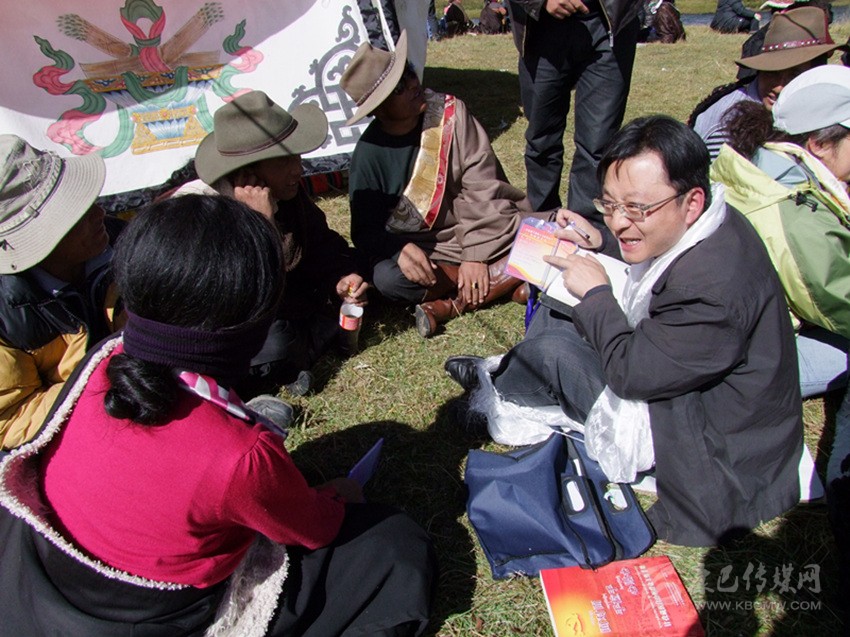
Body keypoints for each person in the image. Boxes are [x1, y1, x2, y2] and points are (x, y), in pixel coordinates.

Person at [0, 194, 436, 636]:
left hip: (39, 583)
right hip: (142, 618)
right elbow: (314, 529)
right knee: (393, 545)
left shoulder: (101, 362)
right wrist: (335, 498)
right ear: (251, 324)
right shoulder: (239, 454)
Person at [445, 116, 803, 546]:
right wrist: (599, 241)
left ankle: (494, 393)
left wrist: (596, 295)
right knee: (558, 300)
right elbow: (652, 245)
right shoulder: (709, 222)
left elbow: (632, 375)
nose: (618, 222)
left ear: (691, 201)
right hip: (684, 383)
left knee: (554, 351)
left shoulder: (710, 288)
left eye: (636, 209)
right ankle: (517, 377)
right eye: (610, 205)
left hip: (708, 442)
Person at [710, 65, 850, 594]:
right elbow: (838, 302)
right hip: (749, 356)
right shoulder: (793, 210)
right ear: (821, 144)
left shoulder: (766, 165)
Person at [341, 31, 548, 338]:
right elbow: (365, 231)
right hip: (429, 248)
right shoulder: (368, 155)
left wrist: (475, 254)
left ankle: (451, 305)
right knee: (387, 279)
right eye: (399, 87)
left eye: (409, 71)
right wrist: (399, 249)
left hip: (483, 225)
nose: (413, 83)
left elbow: (481, 184)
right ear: (378, 109)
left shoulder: (450, 114)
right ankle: (511, 276)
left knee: (555, 232)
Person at [194, 91, 367, 398]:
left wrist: (340, 277)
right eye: (285, 160)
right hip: (247, 324)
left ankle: (300, 352)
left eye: (296, 156)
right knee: (273, 344)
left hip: (292, 306)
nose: (298, 169)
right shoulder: (209, 215)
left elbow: (321, 243)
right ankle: (299, 353)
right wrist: (262, 225)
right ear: (249, 172)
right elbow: (241, 299)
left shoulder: (288, 192)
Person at [0, 135, 124, 451]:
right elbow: (13, 418)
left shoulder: (126, 243)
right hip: (71, 446)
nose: (99, 213)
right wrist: (113, 378)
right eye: (77, 212)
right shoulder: (5, 314)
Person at [506, 0, 641, 232]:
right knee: (541, 140)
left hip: (609, 25)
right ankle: (541, 226)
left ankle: (586, 231)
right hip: (542, 26)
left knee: (598, 146)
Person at [690, 6, 845, 160]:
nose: (778, 87)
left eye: (794, 76)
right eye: (772, 72)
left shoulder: (825, 104)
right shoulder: (731, 124)